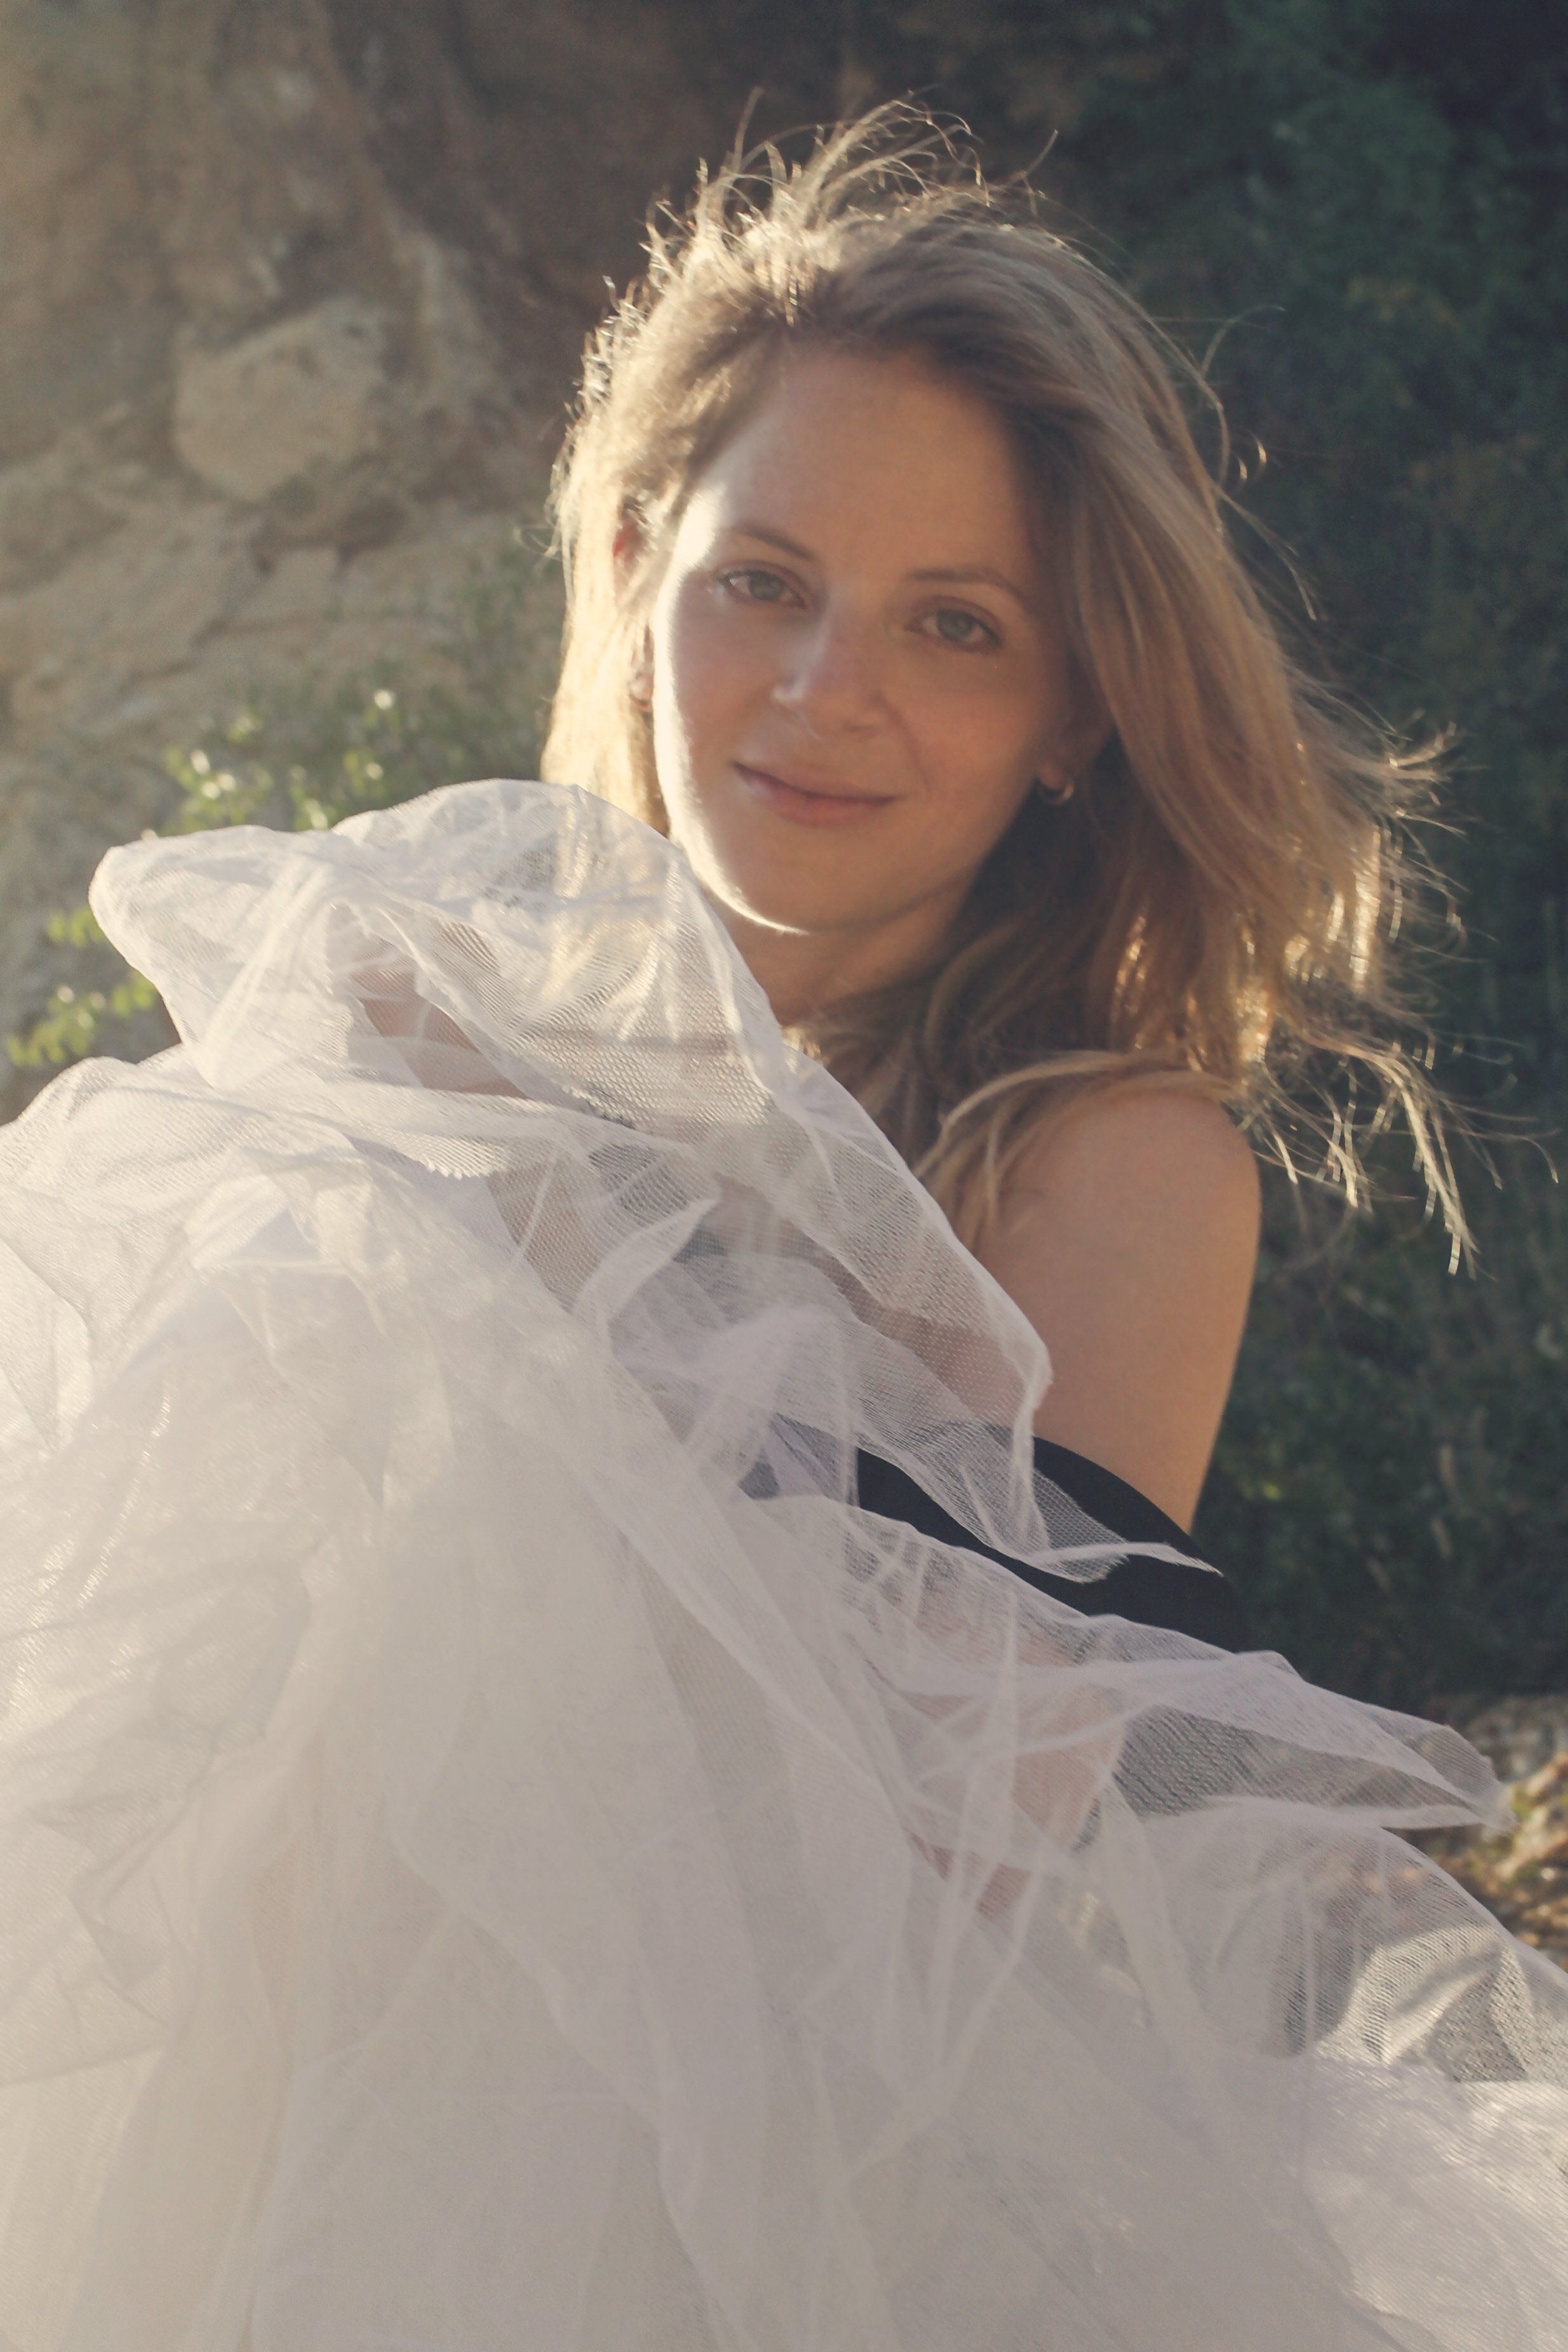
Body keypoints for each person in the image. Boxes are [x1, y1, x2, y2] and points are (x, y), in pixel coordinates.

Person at [0, 111, 1564, 2352]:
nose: (833, 688)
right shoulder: (409, 1031)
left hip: (785, 2221)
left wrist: (538, 1252)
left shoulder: (1101, 1166)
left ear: (1069, 717)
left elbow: (961, 1838)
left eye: (956, 623)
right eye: (765, 580)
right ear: (637, 575)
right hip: (235, 2136)